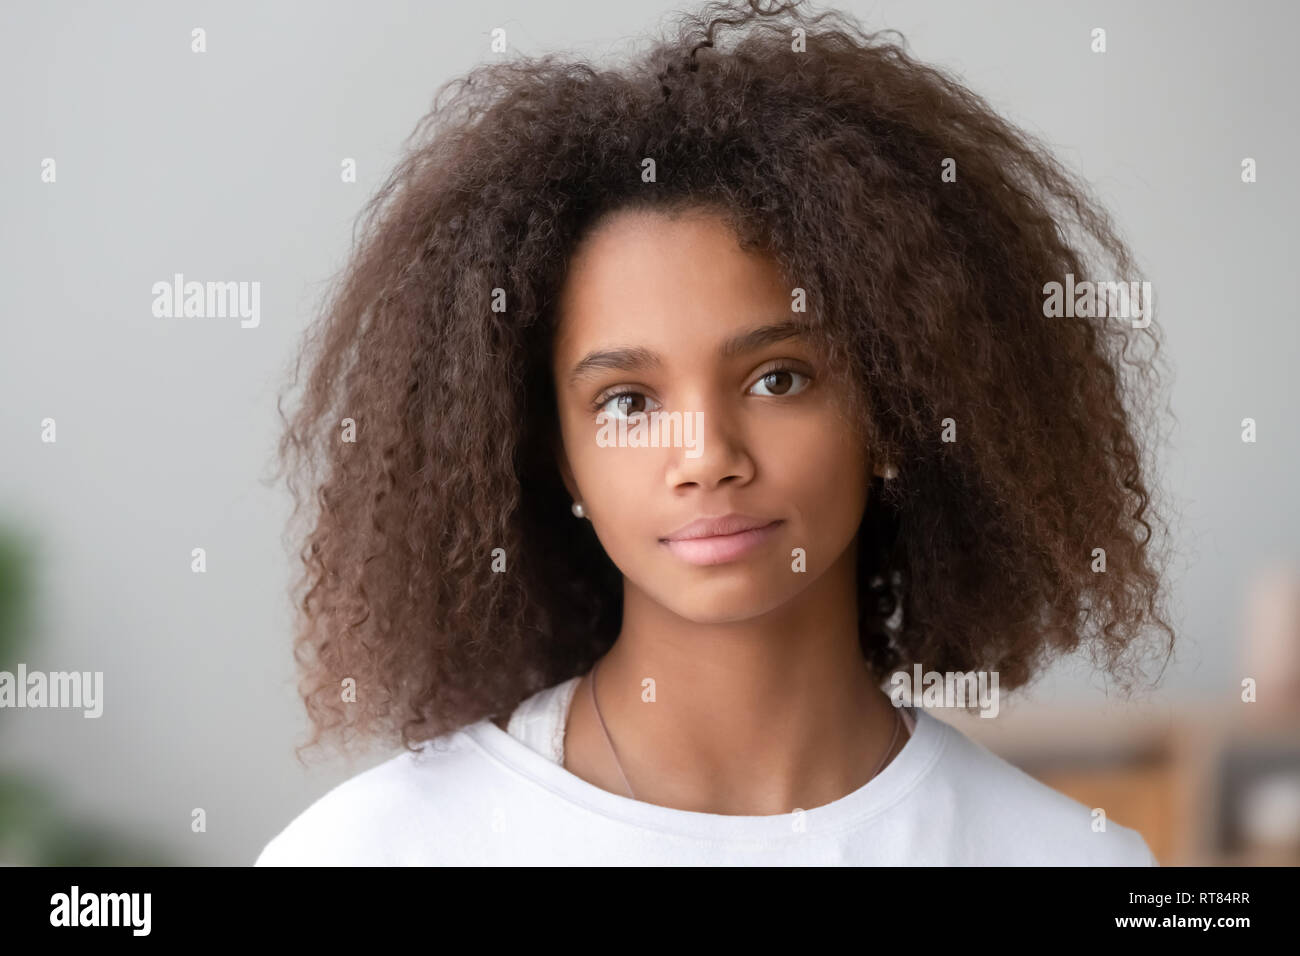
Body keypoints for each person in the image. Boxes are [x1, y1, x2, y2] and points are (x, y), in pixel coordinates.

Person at [256, 0, 1174, 865]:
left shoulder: (1069, 858)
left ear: (896, 411)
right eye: (627, 401)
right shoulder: (371, 854)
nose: (706, 457)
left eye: (779, 379)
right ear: (554, 455)